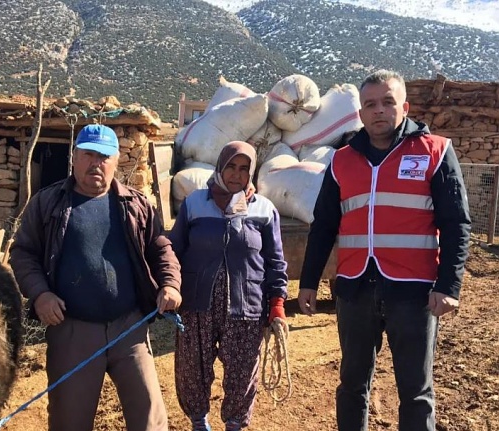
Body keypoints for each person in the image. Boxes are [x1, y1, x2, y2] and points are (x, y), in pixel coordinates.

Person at [298, 69, 471, 431]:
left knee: (415, 390)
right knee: (351, 387)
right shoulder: (342, 161)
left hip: (414, 292)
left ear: (404, 106)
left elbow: (456, 224)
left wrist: (449, 286)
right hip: (355, 291)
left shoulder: (435, 152)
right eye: (370, 104)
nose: (379, 110)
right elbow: (324, 225)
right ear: (360, 113)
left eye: (388, 102)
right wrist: (309, 282)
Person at [9, 123, 182, 431]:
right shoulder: (48, 204)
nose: (96, 163)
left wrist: (170, 283)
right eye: (88, 154)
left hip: (129, 327)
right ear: (74, 157)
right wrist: (40, 294)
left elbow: (160, 248)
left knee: (150, 418)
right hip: (72, 330)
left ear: (116, 162)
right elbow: (23, 254)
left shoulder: (135, 204)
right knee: (69, 422)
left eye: (104, 156)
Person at [169, 141, 289, 431]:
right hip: (197, 305)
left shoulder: (263, 209)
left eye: (244, 168)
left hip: (246, 307)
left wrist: (277, 304)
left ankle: (234, 425)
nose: (236, 174)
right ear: (220, 168)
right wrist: (169, 287)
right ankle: (199, 423)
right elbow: (173, 251)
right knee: (192, 370)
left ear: (251, 173)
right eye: (231, 167)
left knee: (242, 372)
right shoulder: (195, 204)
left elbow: (275, 261)